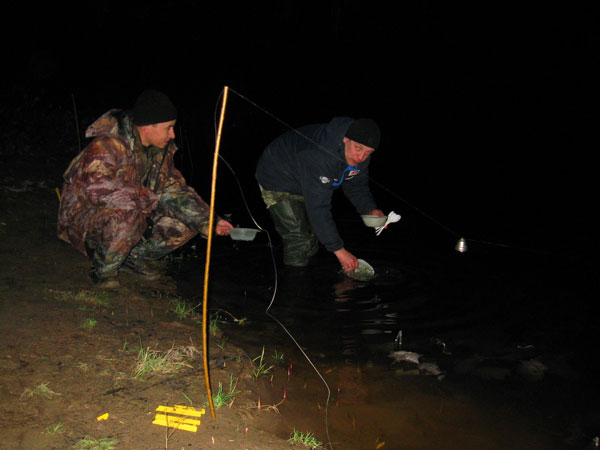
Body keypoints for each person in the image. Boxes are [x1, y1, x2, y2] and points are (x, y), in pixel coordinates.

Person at [57, 89, 233, 289]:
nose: (173, 134)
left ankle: (132, 257)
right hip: (85, 222)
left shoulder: (159, 153)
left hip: (128, 216)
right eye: (169, 128)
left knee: (187, 223)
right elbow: (93, 190)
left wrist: (211, 221)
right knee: (129, 214)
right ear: (148, 127)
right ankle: (103, 269)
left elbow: (175, 192)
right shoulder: (108, 145)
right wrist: (144, 198)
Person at [255, 117, 384, 272]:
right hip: (277, 176)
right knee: (300, 239)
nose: (361, 157)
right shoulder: (321, 156)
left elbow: (356, 187)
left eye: (368, 152)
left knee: (314, 238)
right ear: (345, 139)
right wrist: (339, 250)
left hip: (306, 180)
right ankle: (294, 289)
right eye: (358, 148)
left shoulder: (361, 158)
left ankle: (301, 273)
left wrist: (370, 210)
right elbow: (319, 208)